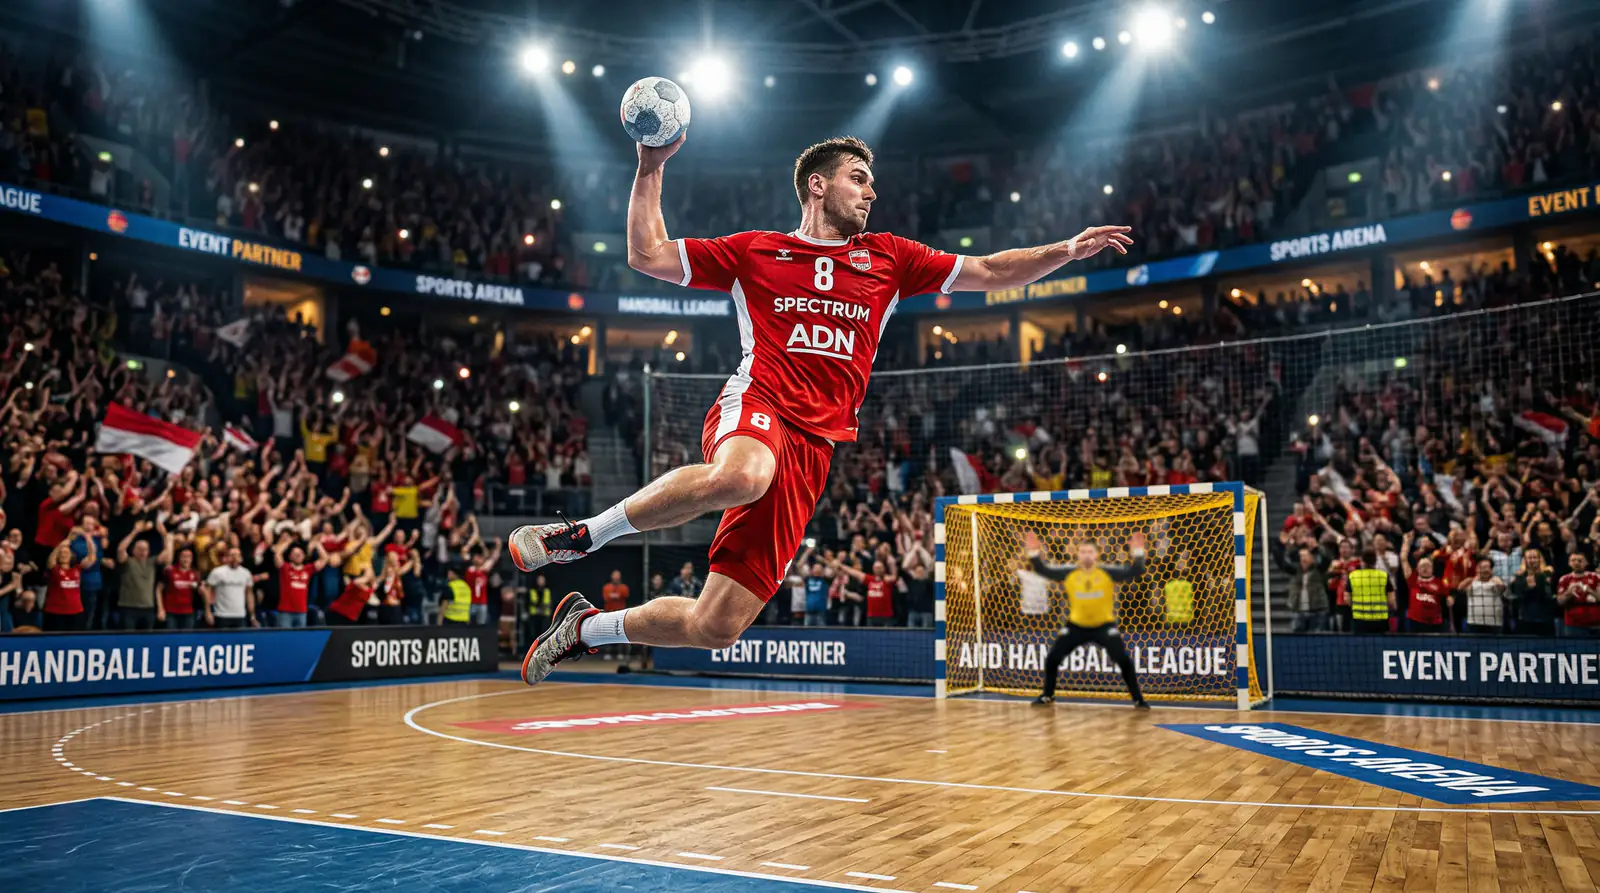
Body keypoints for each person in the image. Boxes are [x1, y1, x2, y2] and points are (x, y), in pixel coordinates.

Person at [509, 132, 1132, 684]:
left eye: (871, 183)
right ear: (817, 184)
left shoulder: (891, 258)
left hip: (815, 447)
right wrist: (651, 165)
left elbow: (992, 270)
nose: (871, 193)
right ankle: (581, 537)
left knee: (715, 626)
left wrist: (1066, 250)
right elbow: (647, 253)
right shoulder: (755, 251)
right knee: (741, 476)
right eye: (858, 179)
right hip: (760, 403)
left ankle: (585, 628)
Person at [1021, 530, 1149, 709]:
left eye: (1090, 551)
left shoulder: (1107, 572)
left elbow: (1137, 570)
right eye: (1083, 552)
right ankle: (1047, 695)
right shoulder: (1069, 572)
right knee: (1052, 658)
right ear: (1077, 554)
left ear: (1097, 554)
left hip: (1104, 626)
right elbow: (1043, 570)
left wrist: (1138, 553)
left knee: (1123, 660)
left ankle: (1138, 699)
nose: (1086, 555)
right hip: (1076, 626)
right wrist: (1034, 554)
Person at [1400, 535, 1450, 633]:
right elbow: (1403, 559)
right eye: (1422, 566)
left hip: (1435, 623)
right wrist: (1406, 542)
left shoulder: (1439, 582)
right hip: (1416, 622)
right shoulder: (1413, 579)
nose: (1425, 568)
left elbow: (1447, 596)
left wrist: (1449, 598)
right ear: (1417, 569)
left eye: (1428, 566)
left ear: (1432, 569)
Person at [203, 548, 262, 629]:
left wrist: (252, 615)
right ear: (227, 557)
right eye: (232, 555)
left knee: (240, 637)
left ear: (241, 558)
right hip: (222, 615)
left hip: (240, 615)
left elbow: (249, 594)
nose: (235, 558)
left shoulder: (246, 573)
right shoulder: (217, 572)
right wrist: (208, 612)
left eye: (237, 555)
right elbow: (207, 590)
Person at [1347, 550, 1396, 635]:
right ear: (1375, 561)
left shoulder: (1353, 576)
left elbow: (1347, 599)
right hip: (1380, 620)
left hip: (1359, 620)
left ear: (1362, 561)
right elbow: (1391, 601)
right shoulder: (1383, 576)